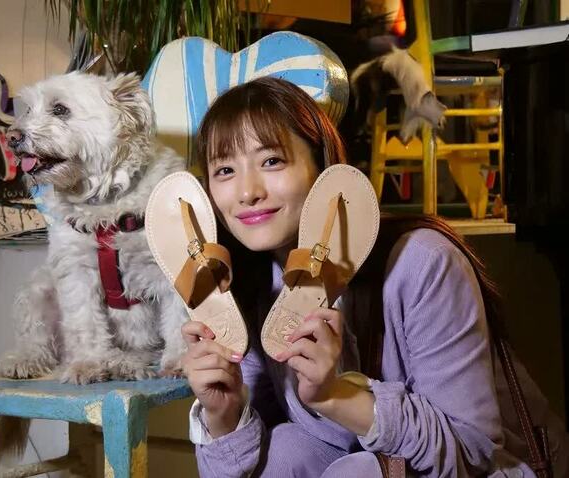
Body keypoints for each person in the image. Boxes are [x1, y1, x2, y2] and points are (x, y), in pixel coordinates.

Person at [180, 76, 568, 477]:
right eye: (225, 170)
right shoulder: (251, 286)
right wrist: (222, 415)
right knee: (283, 451)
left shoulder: (422, 262)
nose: (247, 192)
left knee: (357, 470)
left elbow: (472, 453)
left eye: (271, 161)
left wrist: (336, 396)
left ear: (322, 168)